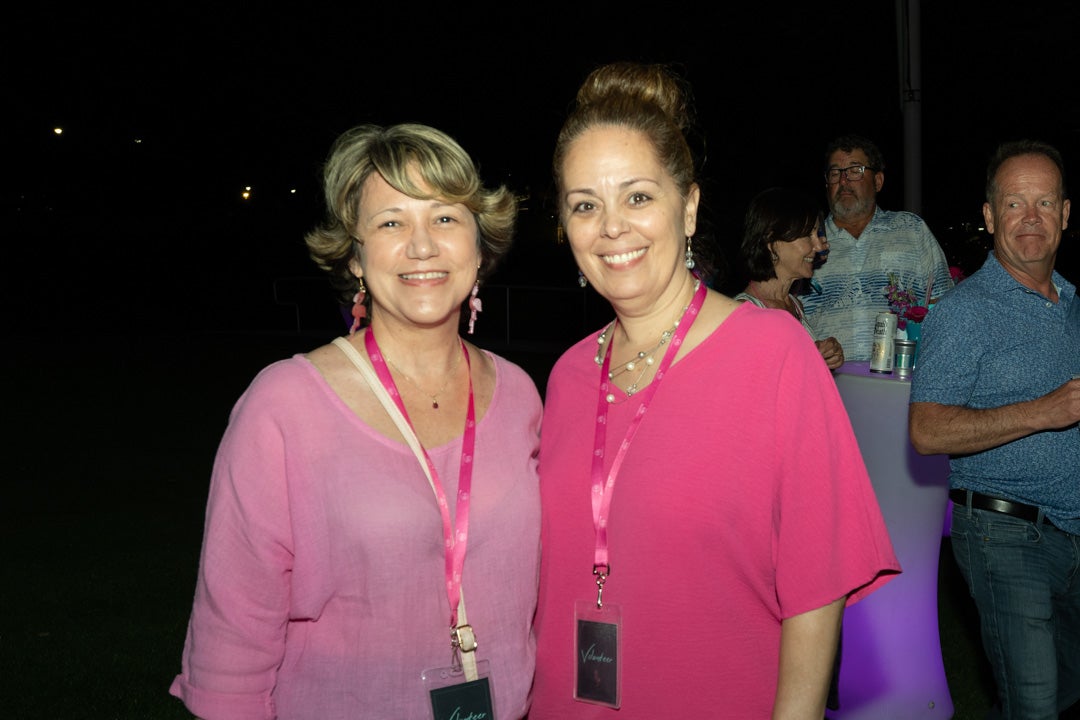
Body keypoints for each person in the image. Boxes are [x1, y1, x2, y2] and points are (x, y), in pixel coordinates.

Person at [531, 61, 900, 719]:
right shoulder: (566, 376)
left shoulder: (774, 355)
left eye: (638, 197)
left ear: (690, 207)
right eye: (585, 204)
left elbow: (818, 591)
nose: (612, 226)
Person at [169, 123, 543, 719]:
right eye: (391, 223)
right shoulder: (285, 406)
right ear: (355, 255)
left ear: (480, 247)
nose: (422, 246)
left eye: (445, 217)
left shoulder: (520, 395)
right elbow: (231, 648)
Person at [909, 139, 1080, 719]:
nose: (1030, 217)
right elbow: (927, 430)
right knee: (1034, 704)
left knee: (1063, 689)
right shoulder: (965, 312)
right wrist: (1043, 410)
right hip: (1004, 533)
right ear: (989, 216)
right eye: (1014, 204)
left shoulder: (1074, 305)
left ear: (1065, 214)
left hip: (1071, 531)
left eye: (1044, 203)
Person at [800, 134, 953, 361]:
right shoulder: (806, 241)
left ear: (878, 181)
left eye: (855, 171)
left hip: (901, 377)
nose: (843, 181)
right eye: (835, 173)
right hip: (826, 377)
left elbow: (945, 306)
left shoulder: (911, 229)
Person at [735, 186, 845, 370]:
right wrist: (809, 360)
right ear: (771, 242)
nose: (819, 247)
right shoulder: (745, 313)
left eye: (817, 234)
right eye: (808, 235)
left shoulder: (794, 305)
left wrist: (826, 354)